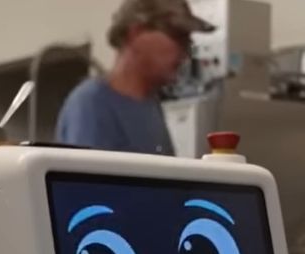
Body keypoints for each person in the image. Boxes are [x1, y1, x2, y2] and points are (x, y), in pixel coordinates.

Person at [55, 0, 213, 155]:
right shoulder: (91, 104)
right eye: (178, 37)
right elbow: (86, 179)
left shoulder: (151, 105)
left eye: (188, 42)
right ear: (136, 33)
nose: (185, 53)